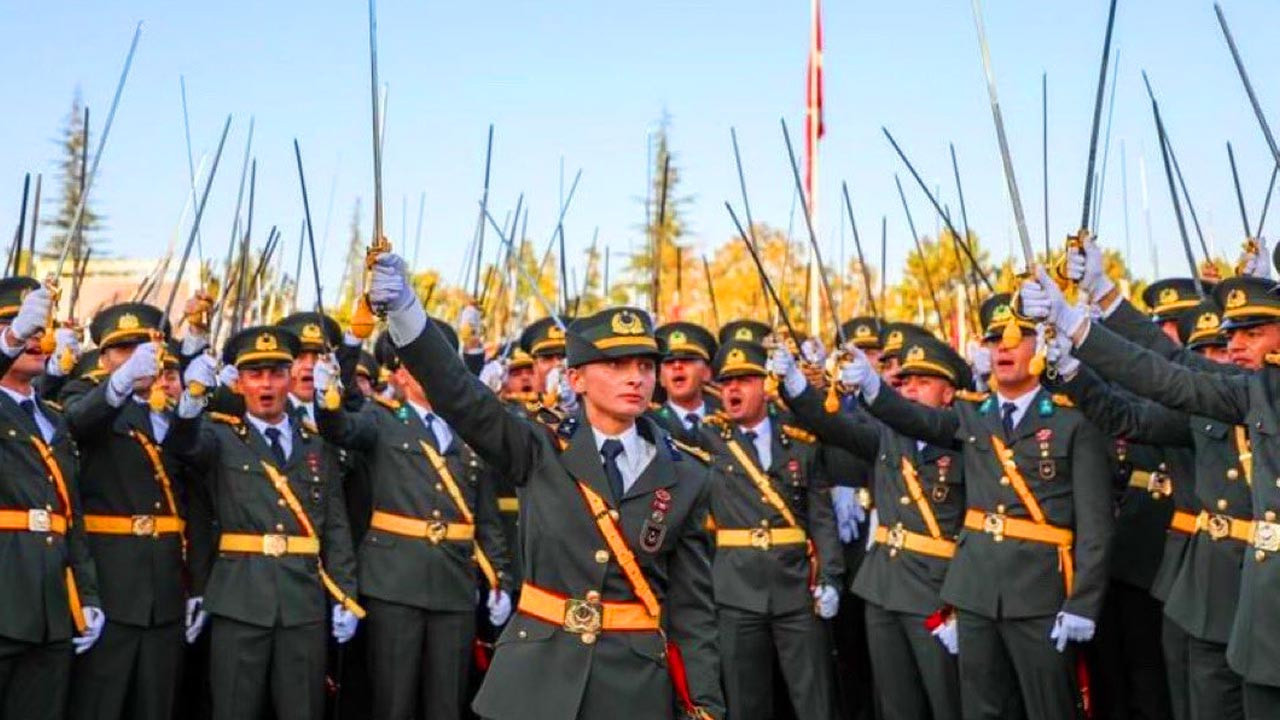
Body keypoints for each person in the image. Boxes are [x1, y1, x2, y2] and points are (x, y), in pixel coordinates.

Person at [367, 253, 724, 719]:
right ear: (576, 378)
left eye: (644, 365)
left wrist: (705, 706)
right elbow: (462, 396)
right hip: (536, 676)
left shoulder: (687, 474)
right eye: (616, 365)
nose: (635, 377)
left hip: (633, 684)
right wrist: (405, 312)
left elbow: (693, 610)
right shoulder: (538, 448)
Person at [1021, 239, 1280, 717]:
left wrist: (1078, 325)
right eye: (1230, 336)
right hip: (1227, 597)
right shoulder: (1254, 391)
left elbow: (1170, 373)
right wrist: (1089, 316)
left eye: (1253, 332)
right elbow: (1168, 371)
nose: (1234, 347)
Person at [840, 293, 1113, 720]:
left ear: (1043, 344)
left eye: (1017, 337)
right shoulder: (971, 414)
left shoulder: (1072, 420)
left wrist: (1083, 602)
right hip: (975, 591)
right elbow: (919, 419)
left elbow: (1096, 527)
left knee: (1049, 708)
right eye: (994, 340)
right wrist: (873, 388)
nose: (1004, 347)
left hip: (1040, 593)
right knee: (983, 709)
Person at [316, 326, 514, 720]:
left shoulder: (469, 428)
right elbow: (339, 427)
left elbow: (486, 515)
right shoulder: (381, 418)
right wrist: (327, 393)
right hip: (394, 581)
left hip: (454, 583)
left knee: (447, 703)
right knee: (394, 701)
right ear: (401, 374)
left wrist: (501, 579)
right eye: (423, 363)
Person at [166, 326, 360, 720]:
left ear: (290, 378)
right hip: (240, 599)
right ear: (238, 383)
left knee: (302, 709)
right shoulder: (218, 435)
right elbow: (182, 446)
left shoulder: (316, 441)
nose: (266, 384)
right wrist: (191, 401)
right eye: (255, 374)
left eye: (276, 373)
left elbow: (335, 525)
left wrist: (345, 593)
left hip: (302, 600)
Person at [773, 332, 969, 720]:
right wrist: (794, 382)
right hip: (884, 585)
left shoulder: (963, 435)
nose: (910, 390)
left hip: (937, 590)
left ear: (950, 394)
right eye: (905, 382)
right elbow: (832, 425)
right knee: (895, 704)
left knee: (948, 701)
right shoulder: (886, 436)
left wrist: (964, 602)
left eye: (924, 382)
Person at [695, 339, 843, 719]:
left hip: (796, 587)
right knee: (746, 702)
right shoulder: (708, 439)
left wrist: (831, 578)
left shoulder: (799, 441)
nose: (732, 389)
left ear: (766, 386)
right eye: (727, 382)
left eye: (744, 380)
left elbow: (821, 518)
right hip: (736, 588)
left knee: (815, 699)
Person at [57, 303, 188, 720]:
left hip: (165, 587)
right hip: (110, 584)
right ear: (104, 359)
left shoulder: (171, 412)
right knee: (99, 704)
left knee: (156, 705)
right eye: (123, 350)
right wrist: (121, 383)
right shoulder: (84, 395)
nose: (135, 357)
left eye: (143, 347)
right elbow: (78, 422)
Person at [0, 279, 103, 720]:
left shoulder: (54, 418)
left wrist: (88, 594)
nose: (34, 337)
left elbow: (70, 514)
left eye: (40, 328)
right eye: (19, 326)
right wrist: (9, 340)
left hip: (52, 604)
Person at [650, 321, 720, 445]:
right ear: (660, 377)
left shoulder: (727, 422)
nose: (677, 366)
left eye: (687, 360)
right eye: (669, 362)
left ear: (706, 373)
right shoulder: (650, 424)